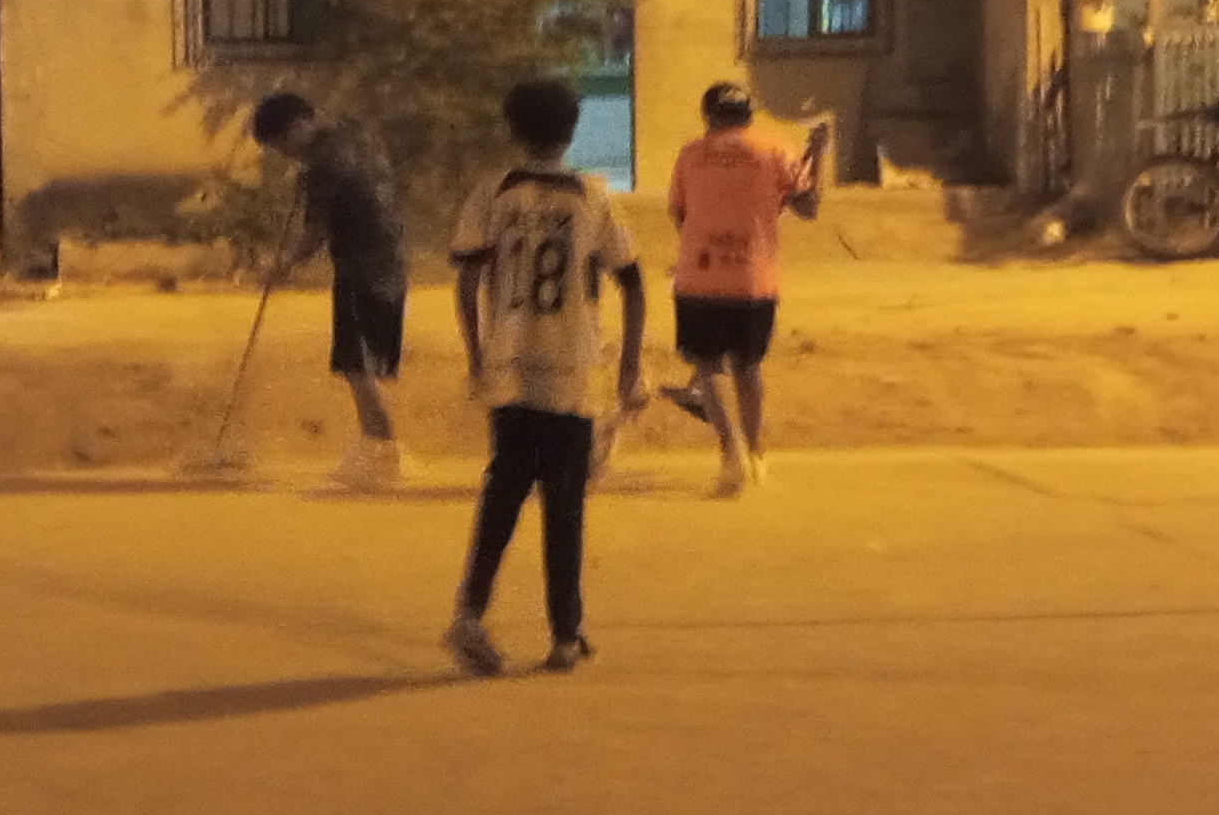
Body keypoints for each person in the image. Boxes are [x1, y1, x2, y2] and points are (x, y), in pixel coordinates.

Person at [444, 79, 645, 676]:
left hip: (511, 365)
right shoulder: (593, 195)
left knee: (503, 491)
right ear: (572, 131)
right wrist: (629, 365)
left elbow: (466, 279)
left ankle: (469, 613)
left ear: (514, 128)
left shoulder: (493, 192)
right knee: (565, 500)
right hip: (570, 367)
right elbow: (633, 285)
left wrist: (477, 353)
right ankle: (564, 633)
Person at [660, 77, 827, 498]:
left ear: (708, 116)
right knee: (748, 367)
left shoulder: (690, 155)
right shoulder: (774, 150)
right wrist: (820, 154)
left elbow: (679, 214)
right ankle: (754, 452)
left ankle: (730, 450)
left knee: (707, 366)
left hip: (699, 277)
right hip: (754, 281)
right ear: (748, 114)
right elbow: (808, 206)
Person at [247, 92, 408, 489]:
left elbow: (316, 231)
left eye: (282, 145)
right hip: (392, 258)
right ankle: (377, 446)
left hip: (360, 264)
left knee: (355, 361)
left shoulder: (322, 165)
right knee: (363, 359)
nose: (286, 155)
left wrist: (283, 265)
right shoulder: (358, 138)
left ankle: (382, 451)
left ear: (297, 126)